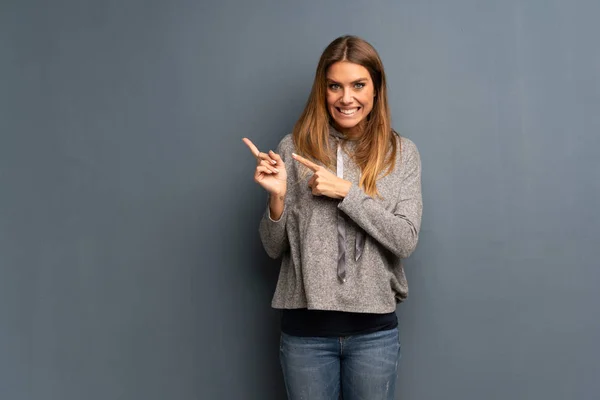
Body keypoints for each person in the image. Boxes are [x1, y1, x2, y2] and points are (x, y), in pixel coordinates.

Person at [242, 35, 422, 400]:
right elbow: (274, 249)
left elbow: (405, 239)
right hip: (306, 336)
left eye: (358, 85)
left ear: (376, 89)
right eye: (335, 86)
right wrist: (277, 199)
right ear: (322, 91)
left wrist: (347, 192)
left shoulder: (400, 153)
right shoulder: (294, 148)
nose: (346, 98)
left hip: (374, 334)